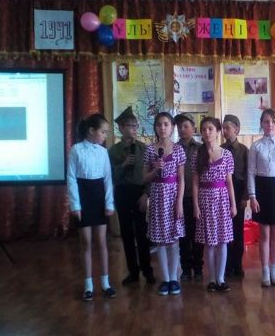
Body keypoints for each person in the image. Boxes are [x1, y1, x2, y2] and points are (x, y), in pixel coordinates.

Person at [67, 113, 116, 301]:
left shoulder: (103, 152)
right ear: (91, 131)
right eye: (103, 132)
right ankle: (88, 285)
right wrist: (75, 204)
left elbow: (107, 179)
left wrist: (109, 203)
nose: (105, 136)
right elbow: (71, 178)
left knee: (102, 242)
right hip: (83, 198)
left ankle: (105, 283)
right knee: (86, 243)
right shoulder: (76, 150)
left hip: (99, 198)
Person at [108, 106, 156, 287]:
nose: (134, 129)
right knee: (126, 234)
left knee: (142, 234)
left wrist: (146, 194)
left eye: (136, 126)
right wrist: (123, 165)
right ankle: (133, 272)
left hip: (139, 193)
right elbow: (110, 176)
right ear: (121, 128)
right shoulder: (113, 151)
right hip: (122, 193)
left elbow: (151, 174)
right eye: (129, 126)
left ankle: (147, 271)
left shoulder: (144, 148)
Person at [248, 108, 275, 287]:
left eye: (273, 122)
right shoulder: (256, 146)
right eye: (266, 122)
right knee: (264, 234)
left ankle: (274, 270)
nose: (270, 125)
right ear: (261, 124)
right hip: (262, 190)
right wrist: (252, 196)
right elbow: (251, 172)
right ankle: (265, 271)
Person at [192, 117, 237, 292]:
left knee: (222, 241)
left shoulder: (227, 155)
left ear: (218, 132)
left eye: (210, 129)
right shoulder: (197, 154)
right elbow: (195, 183)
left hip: (222, 200)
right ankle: (211, 279)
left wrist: (233, 204)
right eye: (204, 129)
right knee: (209, 242)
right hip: (205, 200)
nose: (207, 132)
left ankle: (221, 278)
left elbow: (229, 182)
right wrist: (196, 205)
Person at [143, 112, 186, 296]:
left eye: (166, 124)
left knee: (173, 239)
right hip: (157, 198)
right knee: (160, 240)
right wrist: (155, 169)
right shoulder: (150, 150)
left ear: (172, 127)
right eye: (159, 124)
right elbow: (144, 177)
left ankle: (174, 278)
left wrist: (179, 202)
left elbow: (181, 178)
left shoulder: (178, 150)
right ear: (155, 127)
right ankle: (166, 279)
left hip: (173, 197)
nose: (162, 128)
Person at [174, 112, 203, 282]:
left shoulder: (200, 148)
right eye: (179, 127)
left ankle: (198, 267)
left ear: (193, 128)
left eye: (186, 126)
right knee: (183, 235)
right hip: (179, 198)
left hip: (197, 198)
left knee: (197, 234)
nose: (182, 129)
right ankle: (185, 268)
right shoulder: (174, 148)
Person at [221, 114, 249, 278]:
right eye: (223, 128)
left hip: (238, 192)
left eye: (228, 128)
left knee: (238, 229)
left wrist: (245, 197)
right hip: (223, 192)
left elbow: (248, 174)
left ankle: (237, 264)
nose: (224, 131)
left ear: (236, 130)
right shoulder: (220, 149)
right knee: (225, 230)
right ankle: (226, 265)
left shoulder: (244, 150)